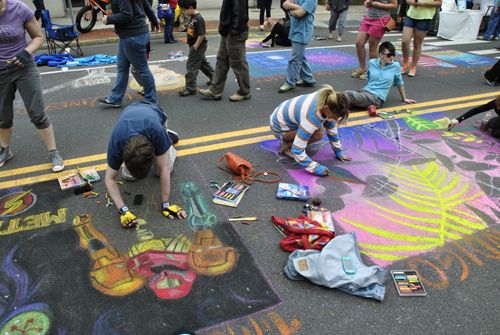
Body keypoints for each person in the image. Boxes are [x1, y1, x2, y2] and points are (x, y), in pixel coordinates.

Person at [0, 0, 64, 172]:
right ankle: (5, 150)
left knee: (36, 112)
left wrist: (25, 52)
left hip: (24, 68)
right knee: (3, 115)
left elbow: (38, 37)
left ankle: (53, 152)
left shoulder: (19, 8)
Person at [105, 101, 186, 228]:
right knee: (127, 177)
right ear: (124, 158)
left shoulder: (156, 131)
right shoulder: (117, 142)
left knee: (162, 170)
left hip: (155, 114)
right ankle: (165, 142)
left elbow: (164, 169)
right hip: (131, 115)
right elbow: (109, 179)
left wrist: (166, 204)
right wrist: (123, 210)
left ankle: (167, 138)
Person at [270, 85, 351, 176]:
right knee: (317, 134)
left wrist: (338, 151)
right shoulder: (310, 118)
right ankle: (287, 146)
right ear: (326, 110)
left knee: (320, 128)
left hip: (284, 117)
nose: (336, 119)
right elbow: (297, 150)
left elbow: (331, 127)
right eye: (335, 117)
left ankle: (291, 141)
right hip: (279, 130)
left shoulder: (327, 99)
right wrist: (315, 168)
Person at [98, 0, 159, 108]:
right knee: (122, 67)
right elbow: (147, 7)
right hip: (131, 35)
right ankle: (115, 98)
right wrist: (155, 22)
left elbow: (127, 15)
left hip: (132, 36)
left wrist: (108, 19)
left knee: (142, 69)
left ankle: (151, 99)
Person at [199, 0, 251, 102]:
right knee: (222, 59)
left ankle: (245, 91)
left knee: (238, 63)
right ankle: (215, 90)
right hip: (228, 31)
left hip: (235, 32)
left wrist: (234, 31)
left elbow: (239, 13)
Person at [344, 41, 416, 109]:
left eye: (393, 54)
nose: (392, 57)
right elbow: (369, 78)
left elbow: (399, 83)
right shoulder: (372, 63)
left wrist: (404, 98)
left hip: (377, 98)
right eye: (389, 55)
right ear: (381, 54)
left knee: (348, 95)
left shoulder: (395, 66)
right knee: (347, 96)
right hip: (366, 91)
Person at [351, 0, 397, 81]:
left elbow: (394, 5)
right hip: (368, 18)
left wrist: (379, 4)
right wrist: (367, 3)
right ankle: (362, 68)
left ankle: (372, 71)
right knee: (359, 43)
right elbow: (366, 2)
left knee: (372, 46)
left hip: (380, 19)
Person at [278, 0, 317, 93]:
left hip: (303, 31)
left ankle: (290, 82)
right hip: (295, 29)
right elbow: (284, 4)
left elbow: (300, 13)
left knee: (295, 58)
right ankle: (308, 79)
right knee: (300, 56)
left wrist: (291, 9)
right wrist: (298, 7)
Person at [178, 0, 214, 97]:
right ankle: (215, 78)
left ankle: (190, 88)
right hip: (195, 45)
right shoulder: (192, 17)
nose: (183, 12)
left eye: (184, 10)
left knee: (191, 66)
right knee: (203, 64)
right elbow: (193, 29)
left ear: (191, 8)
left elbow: (202, 34)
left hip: (198, 46)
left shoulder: (198, 18)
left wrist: (195, 47)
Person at [400, 0, 441, 77]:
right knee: (405, 41)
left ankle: (413, 66)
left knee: (417, 43)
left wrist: (424, 3)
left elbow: (439, 3)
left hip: (425, 17)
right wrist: (412, 2)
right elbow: (407, 1)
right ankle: (405, 64)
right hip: (411, 15)